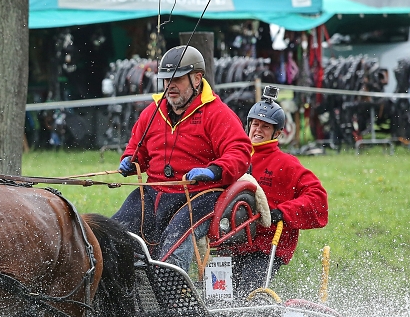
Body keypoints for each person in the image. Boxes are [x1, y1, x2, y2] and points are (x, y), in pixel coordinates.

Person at [112, 45, 252, 271]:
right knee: (113, 237)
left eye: (177, 79)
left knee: (172, 251)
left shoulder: (217, 113)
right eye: (166, 80)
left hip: (200, 194)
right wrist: (131, 160)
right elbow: (137, 150)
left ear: (197, 79)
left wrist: (214, 170)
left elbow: (240, 152)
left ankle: (176, 300)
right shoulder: (151, 112)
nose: (170, 86)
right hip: (154, 192)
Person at [230, 88, 328, 297]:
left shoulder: (287, 164)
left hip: (265, 247)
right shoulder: (235, 157)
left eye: (265, 126)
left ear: (277, 133)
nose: (258, 129)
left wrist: (282, 213)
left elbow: (318, 198)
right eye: (255, 124)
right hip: (230, 244)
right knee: (220, 296)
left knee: (245, 296)